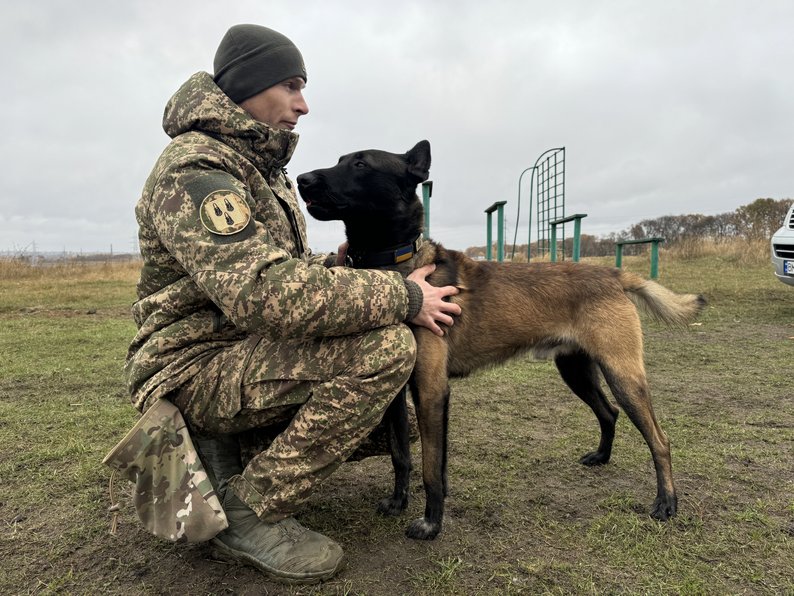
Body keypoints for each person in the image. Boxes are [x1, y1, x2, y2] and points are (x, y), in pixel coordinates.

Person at [125, 24, 461, 584]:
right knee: (383, 349)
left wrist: (334, 270)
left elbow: (278, 276)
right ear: (248, 86)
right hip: (193, 364)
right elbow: (264, 295)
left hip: (238, 351)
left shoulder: (258, 167)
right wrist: (402, 294)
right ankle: (249, 512)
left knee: (375, 371)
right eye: (290, 85)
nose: (303, 105)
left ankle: (224, 454)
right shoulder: (197, 169)